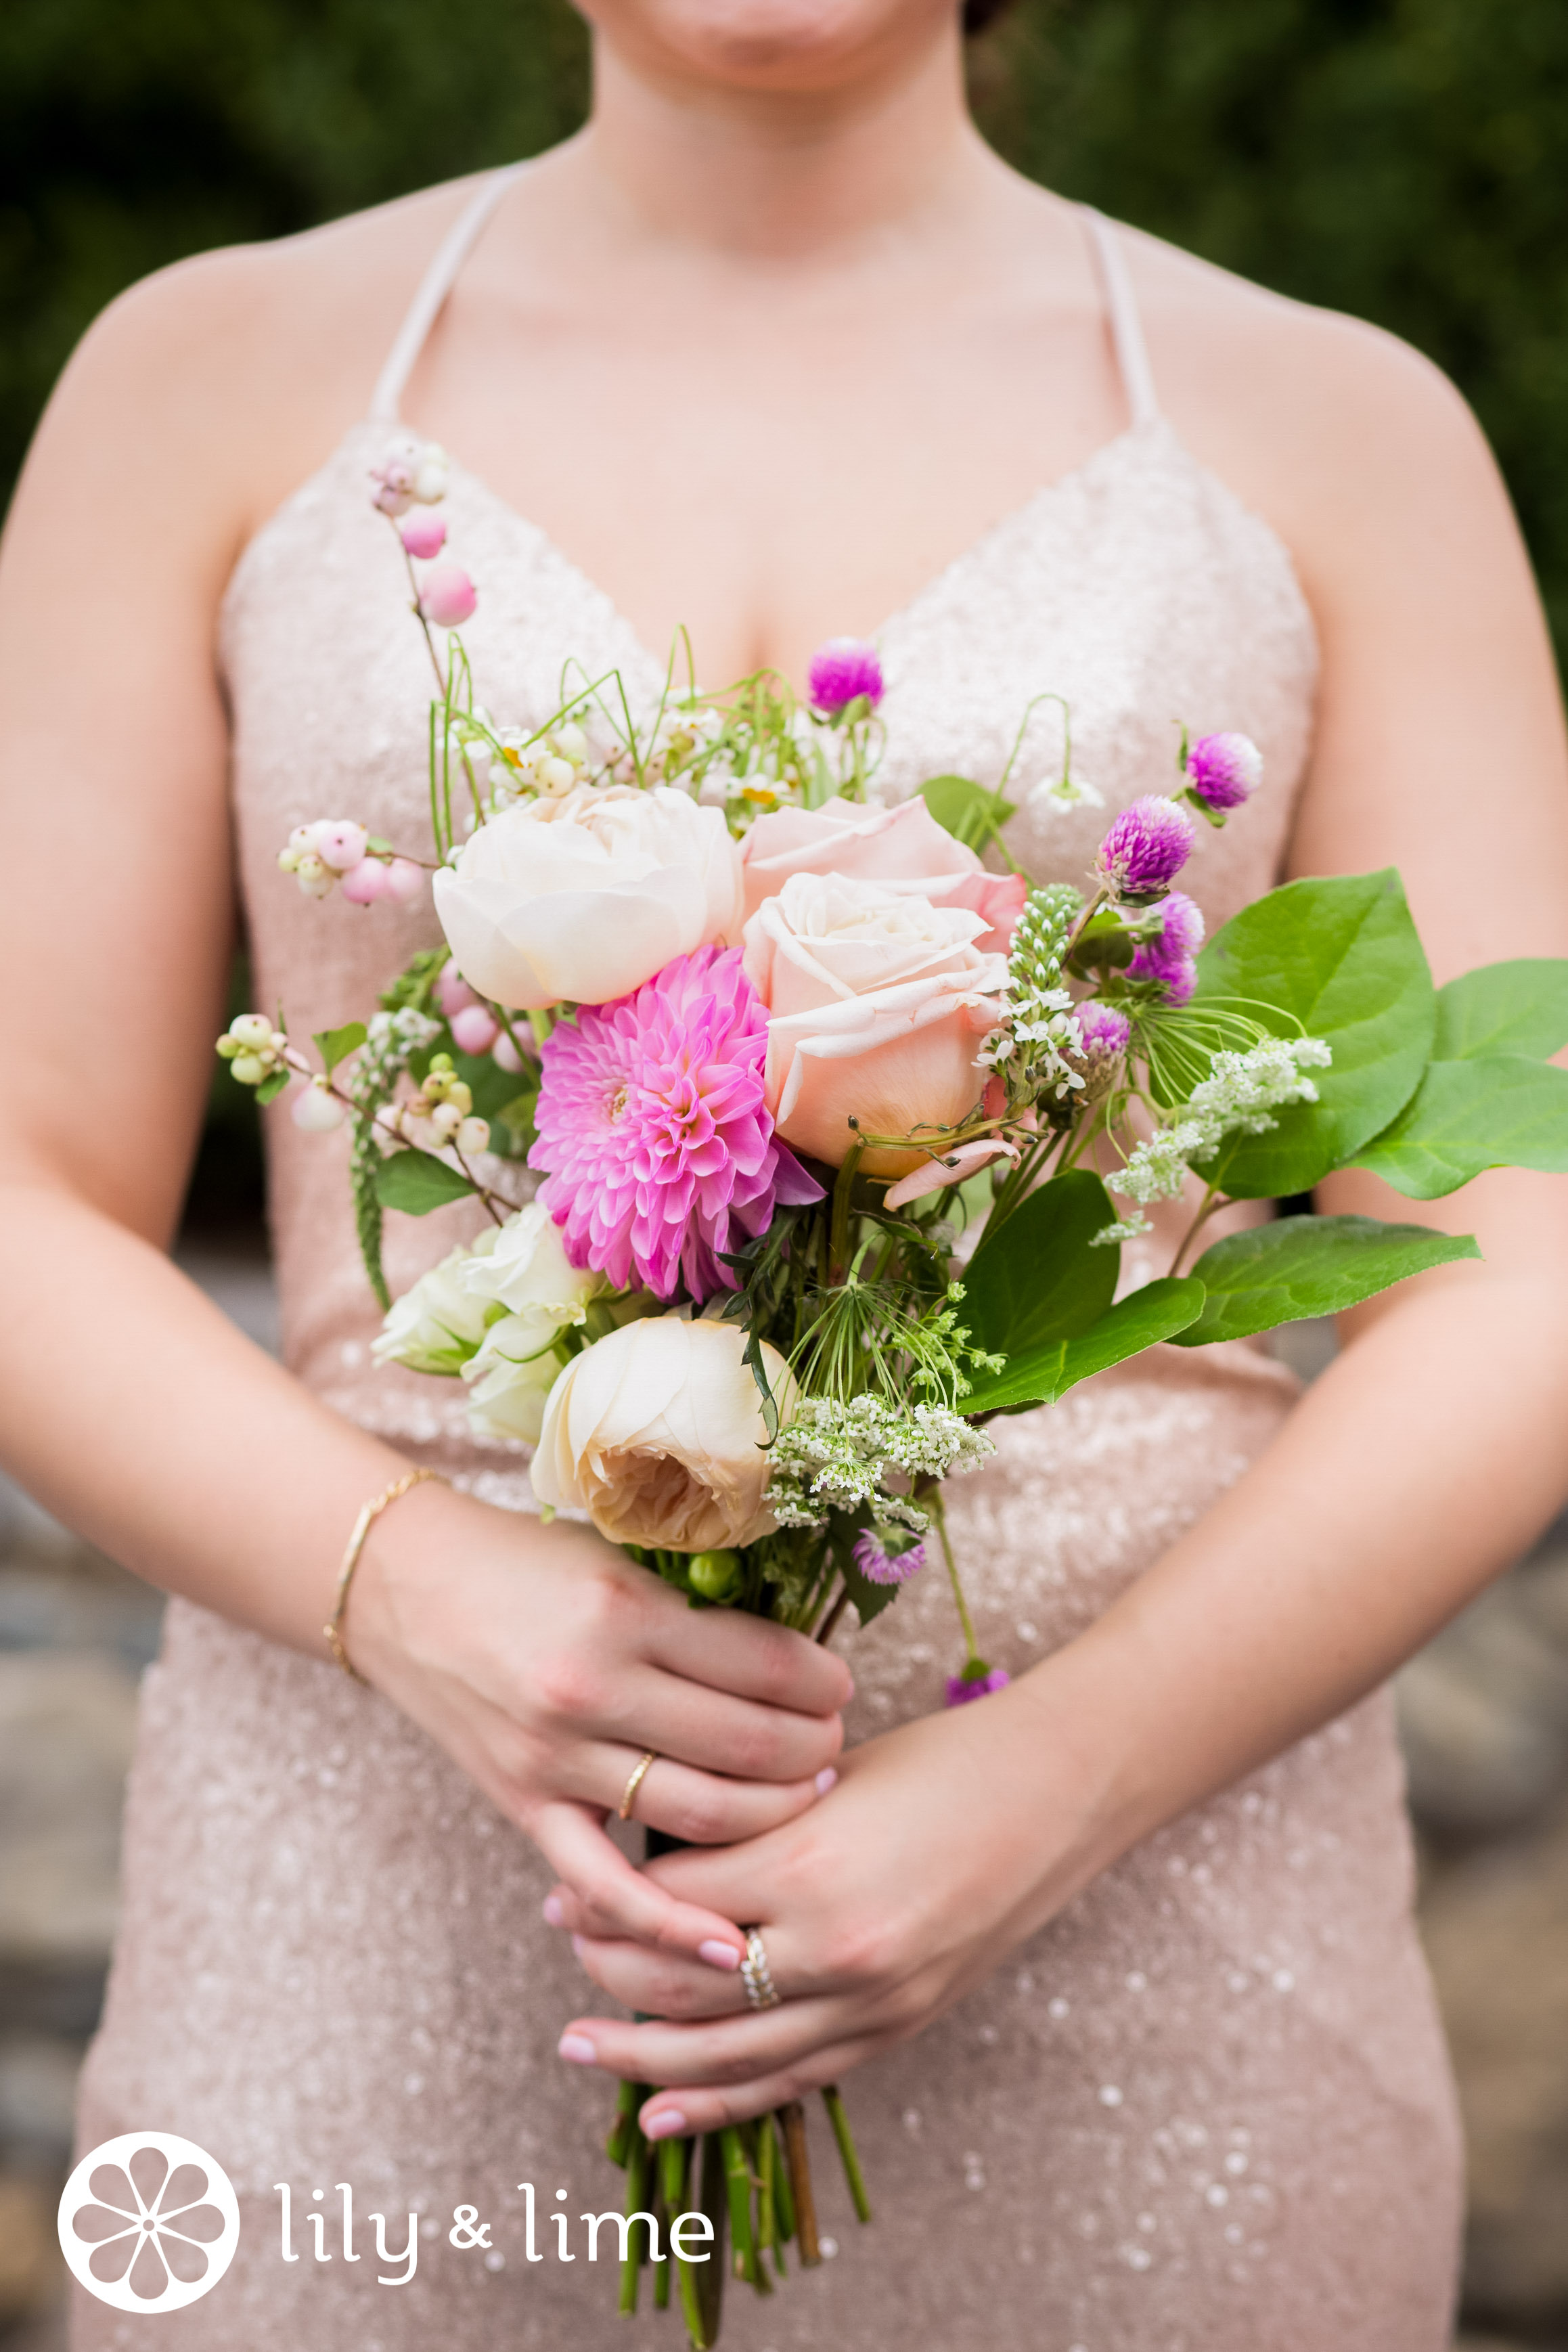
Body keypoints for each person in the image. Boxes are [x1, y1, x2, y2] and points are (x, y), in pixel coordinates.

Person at [3, 2, 1567, 2345]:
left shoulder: (1337, 427)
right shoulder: (202, 377)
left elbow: (1522, 1257)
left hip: (1158, 1938)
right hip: (379, 1907)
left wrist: (1044, 1790)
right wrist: (424, 1594)